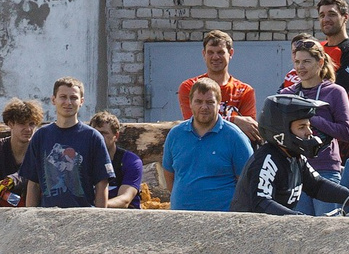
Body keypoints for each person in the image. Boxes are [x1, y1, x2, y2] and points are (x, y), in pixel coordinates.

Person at [235, 94, 349, 215]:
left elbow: (317, 186)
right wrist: (298, 220)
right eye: (302, 127)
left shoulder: (295, 157)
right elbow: (261, 202)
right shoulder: (267, 159)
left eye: (309, 126)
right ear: (281, 131)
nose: (309, 132)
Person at [158, 78, 255, 212]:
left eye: (210, 102)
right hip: (180, 219)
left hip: (222, 220)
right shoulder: (175, 135)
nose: (204, 107)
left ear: (218, 104)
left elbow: (247, 183)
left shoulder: (235, 137)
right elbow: (170, 175)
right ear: (190, 103)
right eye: (198, 102)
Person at [22, 78, 112, 208]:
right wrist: (30, 218)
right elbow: (33, 183)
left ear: (81, 101)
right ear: (54, 100)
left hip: (83, 217)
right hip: (47, 218)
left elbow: (102, 183)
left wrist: (99, 219)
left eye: (74, 98)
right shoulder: (41, 136)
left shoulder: (93, 137)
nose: (68, 102)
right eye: (63, 97)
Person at [275, 37, 349, 172]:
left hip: (325, 167)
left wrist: (311, 117)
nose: (300, 67)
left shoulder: (335, 92)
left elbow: (346, 133)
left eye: (306, 62)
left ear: (320, 62)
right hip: (293, 167)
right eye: (297, 62)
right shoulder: (286, 93)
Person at [176, 30, 262, 135]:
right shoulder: (190, 87)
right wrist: (234, 120)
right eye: (210, 52)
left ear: (230, 53)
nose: (215, 57)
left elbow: (249, 129)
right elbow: (195, 124)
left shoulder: (245, 91)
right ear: (204, 54)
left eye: (220, 52)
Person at [314, 0, 349, 120]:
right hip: (317, 129)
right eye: (322, 15)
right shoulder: (317, 49)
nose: (326, 19)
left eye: (332, 14)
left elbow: (336, 92)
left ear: (345, 17)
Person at [92, 111, 147, 207]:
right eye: (96, 133)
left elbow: (125, 199)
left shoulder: (131, 161)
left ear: (116, 136)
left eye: (104, 133)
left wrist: (97, 206)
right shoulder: (83, 160)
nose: (99, 137)